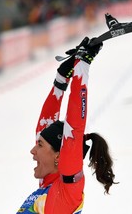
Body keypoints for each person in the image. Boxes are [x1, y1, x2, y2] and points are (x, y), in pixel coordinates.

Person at [16, 37, 117, 214]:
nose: (32, 150)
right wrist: (61, 79)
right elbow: (44, 128)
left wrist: (82, 67)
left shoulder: (66, 192)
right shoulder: (48, 183)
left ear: (59, 157)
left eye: (39, 145)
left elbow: (74, 128)